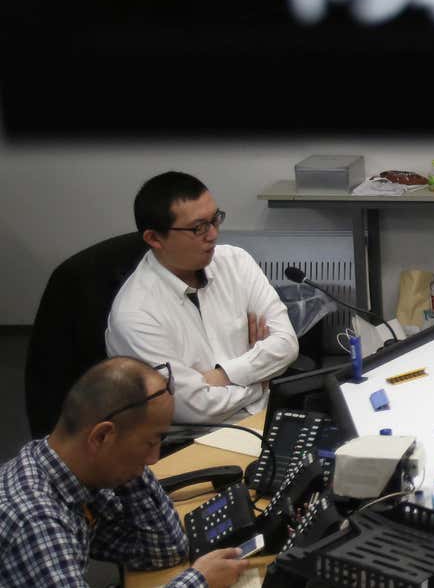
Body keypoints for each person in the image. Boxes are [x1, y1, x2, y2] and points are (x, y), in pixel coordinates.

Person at [0, 357, 251, 587]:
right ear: (101, 436)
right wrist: (199, 582)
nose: (154, 459)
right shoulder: (36, 522)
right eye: (150, 443)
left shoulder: (78, 476)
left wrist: (130, 460)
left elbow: (164, 550)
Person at [106, 172, 298, 424]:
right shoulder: (135, 315)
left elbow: (286, 344)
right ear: (154, 238)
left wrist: (221, 376)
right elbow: (192, 407)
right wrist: (258, 380)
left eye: (215, 219)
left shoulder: (235, 262)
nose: (213, 235)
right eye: (198, 228)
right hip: (198, 438)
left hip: (266, 414)